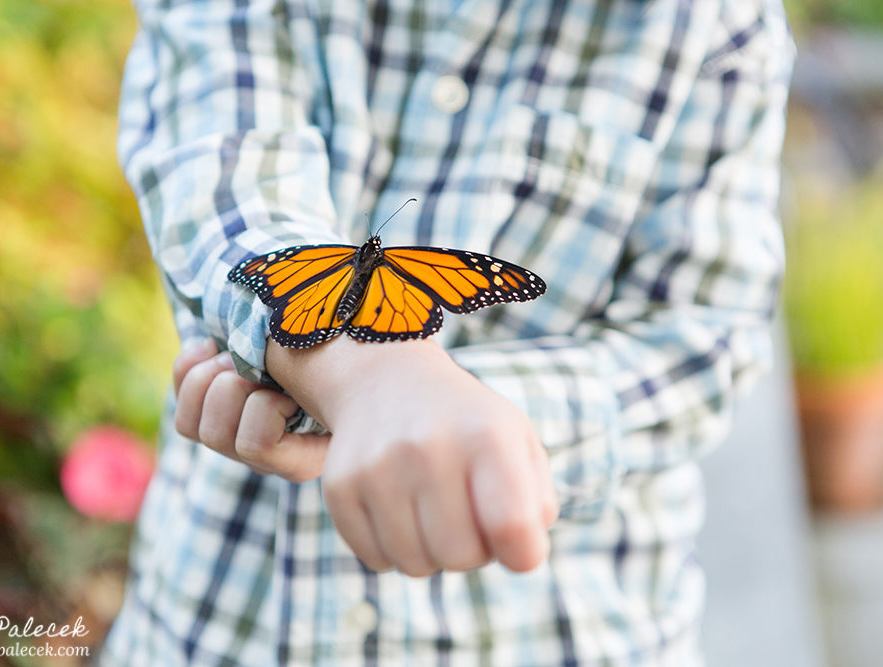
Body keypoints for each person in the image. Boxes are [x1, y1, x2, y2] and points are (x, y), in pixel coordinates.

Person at [102, 0, 794, 664]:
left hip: (558, 629)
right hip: (223, 617)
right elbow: (221, 166)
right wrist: (369, 379)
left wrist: (448, 408)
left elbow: (706, 336)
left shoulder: (718, 21)